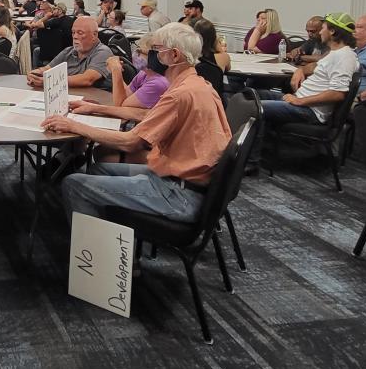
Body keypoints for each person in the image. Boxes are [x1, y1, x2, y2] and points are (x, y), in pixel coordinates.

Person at [43, 22, 231, 226]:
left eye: (156, 50)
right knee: (100, 170)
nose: (150, 55)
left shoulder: (178, 95)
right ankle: (115, 237)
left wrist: (74, 126)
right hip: (193, 183)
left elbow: (131, 142)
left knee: (74, 184)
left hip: (179, 194)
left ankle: (98, 254)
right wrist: (97, 109)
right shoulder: (198, 85)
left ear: (174, 55)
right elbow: (146, 115)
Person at [254, 13, 360, 169]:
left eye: (323, 28)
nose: (320, 32)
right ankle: (262, 150)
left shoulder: (345, 58)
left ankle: (251, 161)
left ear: (332, 31)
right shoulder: (334, 53)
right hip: (299, 101)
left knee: (255, 108)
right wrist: (301, 70)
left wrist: (299, 101)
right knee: (250, 94)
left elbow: (337, 93)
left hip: (309, 109)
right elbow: (315, 67)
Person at [68, 35, 169, 123]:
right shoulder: (144, 73)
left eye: (140, 51)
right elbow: (125, 96)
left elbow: (120, 105)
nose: (135, 54)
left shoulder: (158, 83)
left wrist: (116, 70)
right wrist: (117, 72)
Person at [26, 16, 113, 90]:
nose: (75, 36)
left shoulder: (103, 52)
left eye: (80, 33)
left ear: (94, 35)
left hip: (95, 101)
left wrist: (50, 82)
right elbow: (47, 69)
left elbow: (87, 79)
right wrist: (34, 74)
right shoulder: (68, 51)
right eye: (73, 32)